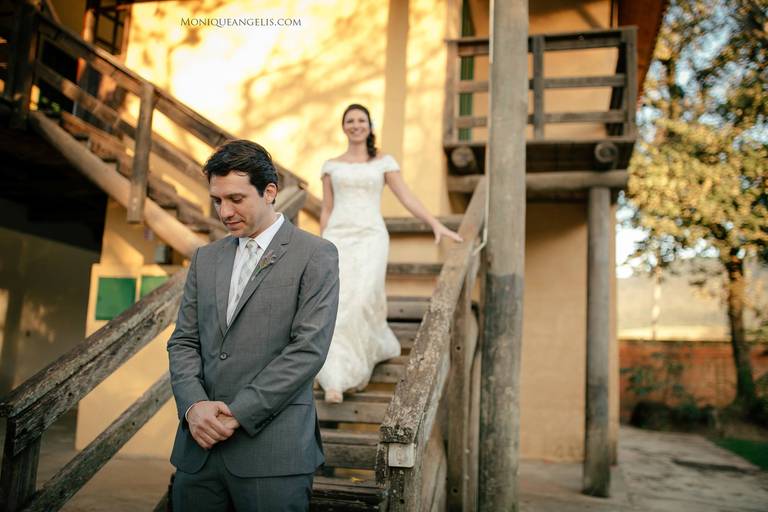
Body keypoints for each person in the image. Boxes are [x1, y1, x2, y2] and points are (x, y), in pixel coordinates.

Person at [167, 139, 340, 511]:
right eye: (217, 200)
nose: (224, 211)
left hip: (272, 455)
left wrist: (238, 413)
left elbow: (308, 349)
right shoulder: (205, 259)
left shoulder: (316, 254)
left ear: (270, 191)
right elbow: (183, 342)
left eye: (236, 199)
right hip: (198, 453)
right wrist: (193, 406)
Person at [315, 104, 462, 403]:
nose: (356, 125)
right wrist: (321, 243)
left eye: (361, 120)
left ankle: (355, 366)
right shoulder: (331, 165)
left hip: (371, 237)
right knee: (338, 300)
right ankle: (335, 378)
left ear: (369, 126)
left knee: (361, 298)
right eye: (350, 121)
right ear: (344, 127)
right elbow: (327, 207)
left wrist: (435, 224)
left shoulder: (383, 162)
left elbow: (406, 195)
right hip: (338, 237)